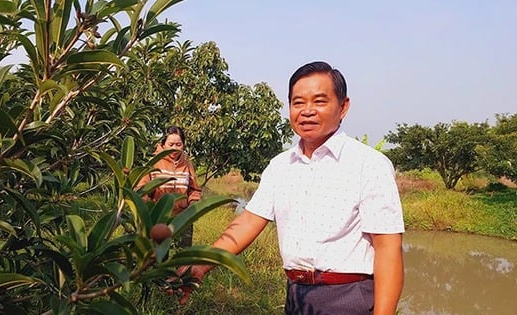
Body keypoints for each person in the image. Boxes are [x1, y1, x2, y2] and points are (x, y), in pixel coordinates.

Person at [178, 61, 405, 314]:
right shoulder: (280, 166)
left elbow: (388, 249)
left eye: (319, 101)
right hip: (296, 296)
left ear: (343, 107)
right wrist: (202, 264)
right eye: (298, 102)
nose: (307, 111)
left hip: (349, 297)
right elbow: (249, 221)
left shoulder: (368, 164)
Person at [138, 126, 202, 247]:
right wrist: (145, 209)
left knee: (183, 255)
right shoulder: (154, 162)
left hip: (182, 219)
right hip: (158, 218)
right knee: (158, 256)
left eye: (178, 144)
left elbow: (194, 190)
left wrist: (193, 207)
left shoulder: (187, 164)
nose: (174, 148)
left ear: (183, 144)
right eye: (171, 144)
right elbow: (142, 188)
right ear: (163, 144)